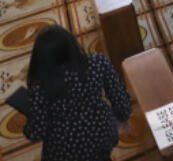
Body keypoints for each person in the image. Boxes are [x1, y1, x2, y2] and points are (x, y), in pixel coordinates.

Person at [20, 25, 132, 161]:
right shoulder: (98, 63)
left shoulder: (40, 89)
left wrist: (28, 124)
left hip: (64, 151)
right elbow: (121, 101)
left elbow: (36, 133)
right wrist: (123, 117)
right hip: (103, 133)